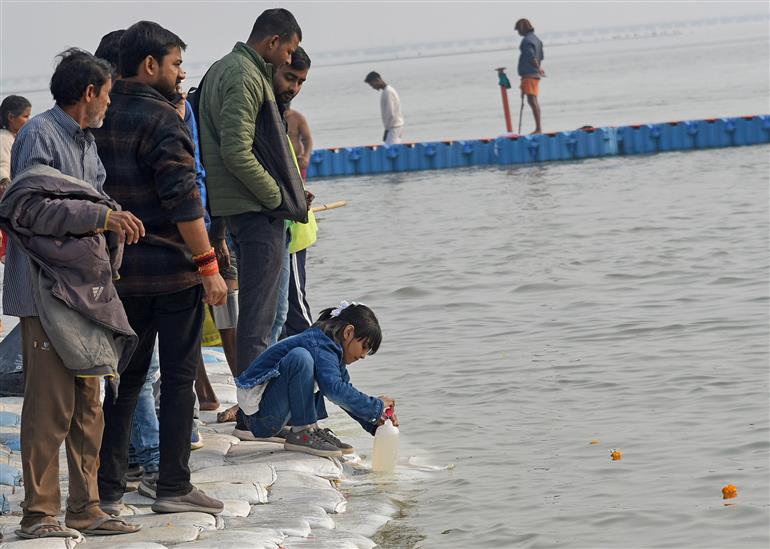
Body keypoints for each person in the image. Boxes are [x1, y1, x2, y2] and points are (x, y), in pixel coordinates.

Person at [2, 48, 143, 539]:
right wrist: (103, 218)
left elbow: (94, 199)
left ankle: (87, 509)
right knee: (49, 407)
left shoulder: (87, 143)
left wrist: (113, 224)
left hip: (85, 294)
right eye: (105, 96)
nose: (108, 105)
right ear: (88, 94)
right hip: (44, 292)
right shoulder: (40, 134)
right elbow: (31, 210)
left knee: (90, 402)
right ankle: (39, 515)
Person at [94, 20, 227, 516]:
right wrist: (208, 265)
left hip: (121, 273)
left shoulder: (99, 114)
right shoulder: (162, 119)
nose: (180, 74)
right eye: (175, 64)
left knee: (123, 383)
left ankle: (107, 488)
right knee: (175, 380)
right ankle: (172, 486)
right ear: (150, 65)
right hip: (172, 272)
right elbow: (184, 201)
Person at [198, 9, 301, 380]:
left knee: (259, 316)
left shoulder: (224, 68)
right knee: (260, 320)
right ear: (273, 42)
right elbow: (235, 150)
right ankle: (252, 410)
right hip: (255, 209)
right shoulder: (245, 74)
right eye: (289, 51)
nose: (289, 59)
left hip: (237, 206)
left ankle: (251, 404)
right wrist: (277, 196)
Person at [236, 302, 398, 457]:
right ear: (348, 332)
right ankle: (303, 431)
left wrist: (375, 422)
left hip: (261, 415)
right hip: (260, 419)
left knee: (317, 369)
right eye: (364, 347)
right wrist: (375, 406)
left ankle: (307, 428)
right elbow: (334, 390)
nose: (363, 356)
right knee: (300, 357)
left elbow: (344, 393)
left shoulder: (331, 348)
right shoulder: (319, 345)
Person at [0, 94, 32, 335]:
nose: (28, 121)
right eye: (25, 116)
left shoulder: (13, 138)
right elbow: (3, 178)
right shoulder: (4, 140)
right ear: (11, 118)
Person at [515, 18, 544, 134]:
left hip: (529, 73)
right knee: (533, 100)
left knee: (532, 100)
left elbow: (532, 57)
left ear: (522, 28)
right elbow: (541, 56)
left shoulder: (526, 41)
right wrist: (538, 68)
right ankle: (538, 127)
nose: (518, 33)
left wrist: (538, 68)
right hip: (534, 74)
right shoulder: (537, 39)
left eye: (518, 30)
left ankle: (538, 128)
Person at [364, 71, 404, 145]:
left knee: (391, 151)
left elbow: (390, 113)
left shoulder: (388, 92)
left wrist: (387, 129)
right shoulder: (387, 91)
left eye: (372, 84)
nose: (373, 87)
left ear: (377, 80)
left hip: (394, 127)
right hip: (393, 127)